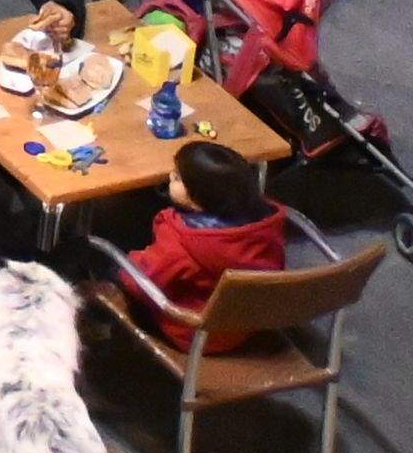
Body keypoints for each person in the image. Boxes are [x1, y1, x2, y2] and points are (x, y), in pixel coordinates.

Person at [109, 139, 290, 333]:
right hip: (245, 325)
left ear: (197, 201)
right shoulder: (265, 228)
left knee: (106, 262)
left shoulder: (182, 247)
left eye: (178, 178)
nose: (170, 175)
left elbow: (141, 282)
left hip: (195, 331)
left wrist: (125, 264)